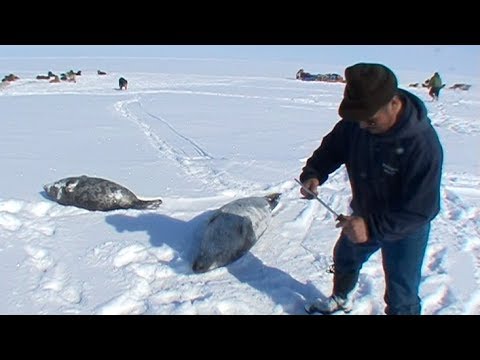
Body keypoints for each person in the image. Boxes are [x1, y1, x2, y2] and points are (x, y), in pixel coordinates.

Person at [298, 63, 443, 315]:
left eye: (371, 121)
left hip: (404, 228)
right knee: (344, 258)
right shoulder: (359, 121)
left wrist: (372, 228)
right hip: (363, 214)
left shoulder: (422, 145)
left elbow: (422, 210)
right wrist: (314, 173)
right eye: (359, 121)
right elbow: (333, 148)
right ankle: (341, 297)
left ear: (394, 104)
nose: (363, 127)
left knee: (401, 296)